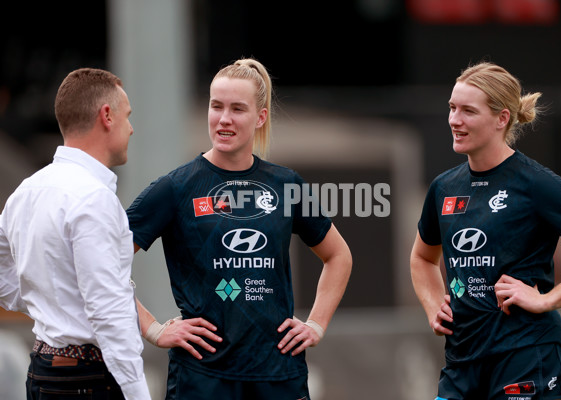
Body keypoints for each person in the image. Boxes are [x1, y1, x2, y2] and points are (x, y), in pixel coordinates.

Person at [127, 57, 352, 399]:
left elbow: (338, 256)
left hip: (279, 376)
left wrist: (316, 324)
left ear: (260, 117)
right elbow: (101, 261)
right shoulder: (176, 188)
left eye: (237, 109)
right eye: (216, 106)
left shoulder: (286, 184)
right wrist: (153, 329)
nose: (224, 119)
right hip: (202, 378)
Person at [410, 61, 561, 400]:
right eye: (453, 108)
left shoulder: (535, 183)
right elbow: (422, 258)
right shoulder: (443, 188)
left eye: (469, 111)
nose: (455, 120)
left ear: (502, 119)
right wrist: (432, 305)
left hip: (528, 357)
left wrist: (548, 299)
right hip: (462, 363)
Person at [0, 68, 151, 400]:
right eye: (128, 116)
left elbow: (2, 275)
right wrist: (138, 394)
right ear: (107, 116)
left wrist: (51, 303)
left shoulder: (26, 191)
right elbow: (107, 309)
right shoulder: (93, 198)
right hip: (88, 379)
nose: (132, 128)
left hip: (43, 372)